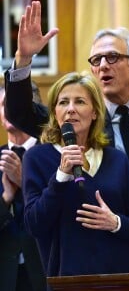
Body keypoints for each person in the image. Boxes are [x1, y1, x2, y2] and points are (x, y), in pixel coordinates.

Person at [4, 1, 129, 268]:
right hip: (98, 257)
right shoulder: (75, 123)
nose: (103, 65)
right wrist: (24, 59)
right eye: (96, 60)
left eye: (112, 57)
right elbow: (20, 112)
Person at [22, 71, 129, 277]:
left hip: (119, 278)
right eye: (63, 102)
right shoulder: (37, 158)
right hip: (68, 280)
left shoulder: (117, 160)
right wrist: (61, 177)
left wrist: (115, 223)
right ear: (55, 112)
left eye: (79, 101)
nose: (71, 109)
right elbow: (34, 224)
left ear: (95, 112)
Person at [0, 86, 46, 291]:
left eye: (15, 104)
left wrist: (22, 182)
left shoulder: (53, 156)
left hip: (43, 271)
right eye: (3, 105)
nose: (9, 110)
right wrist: (6, 198)